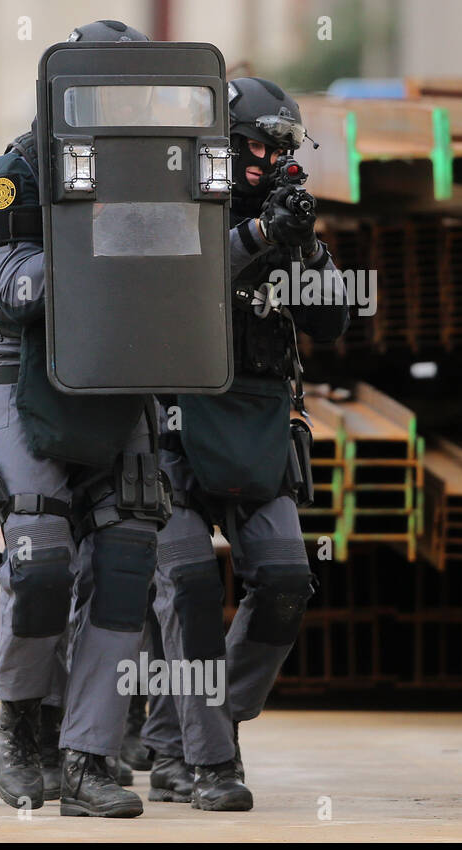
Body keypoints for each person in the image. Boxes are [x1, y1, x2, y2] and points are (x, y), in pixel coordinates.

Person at [0, 19, 170, 818]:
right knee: (41, 561)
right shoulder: (15, 173)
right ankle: (20, 725)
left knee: (125, 567)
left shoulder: (166, 171)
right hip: (28, 376)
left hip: (125, 374)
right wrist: (104, 248)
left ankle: (87, 757)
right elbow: (12, 286)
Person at [147, 76, 353, 809]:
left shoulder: (283, 216)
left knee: (288, 580)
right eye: (257, 144)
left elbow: (331, 324)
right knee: (192, 585)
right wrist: (257, 237)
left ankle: (199, 728)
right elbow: (181, 286)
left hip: (258, 428)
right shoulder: (176, 205)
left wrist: (305, 249)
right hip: (170, 430)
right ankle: (210, 765)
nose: (267, 159)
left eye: (279, 148)